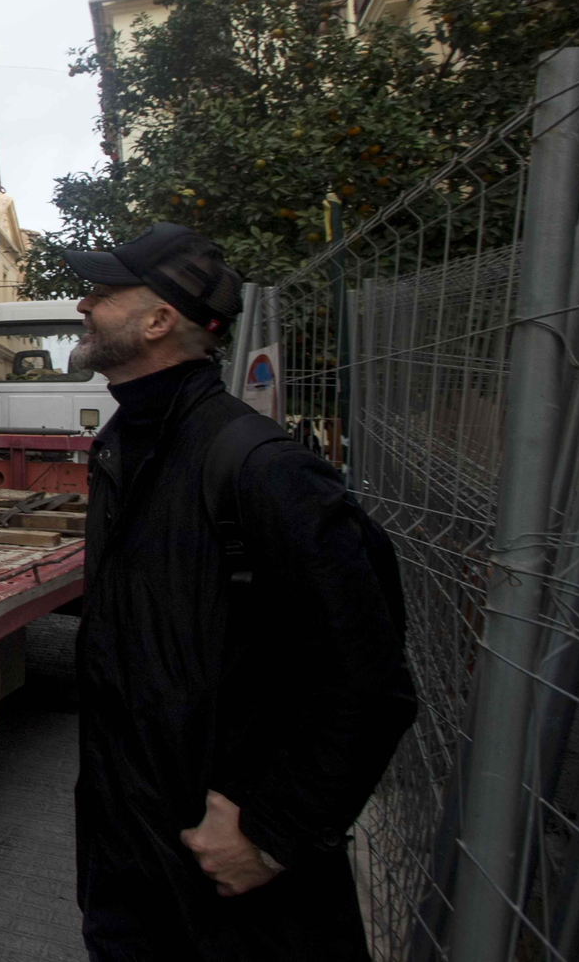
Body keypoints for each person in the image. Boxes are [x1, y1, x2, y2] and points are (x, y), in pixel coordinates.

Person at [63, 222, 415, 961]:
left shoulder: (262, 469)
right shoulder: (121, 451)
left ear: (159, 320)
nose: (82, 304)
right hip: (129, 870)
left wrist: (273, 835)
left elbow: (369, 682)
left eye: (102, 291)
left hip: (233, 898)